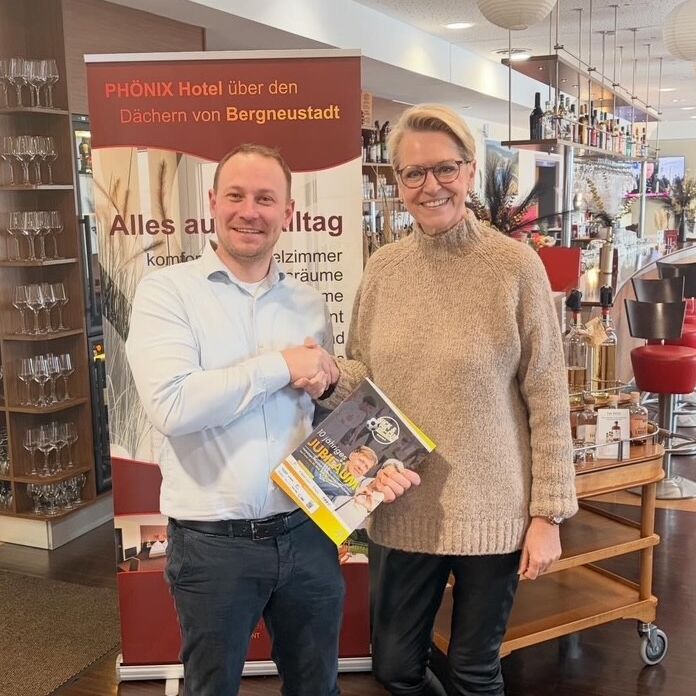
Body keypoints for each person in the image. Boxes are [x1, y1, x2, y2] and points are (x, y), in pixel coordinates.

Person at [125, 143, 419, 696]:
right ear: (212, 202)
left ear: (288, 211)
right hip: (212, 544)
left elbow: (320, 414)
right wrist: (280, 365)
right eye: (235, 195)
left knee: (317, 686)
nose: (249, 211)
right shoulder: (167, 292)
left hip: (307, 533)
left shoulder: (307, 302)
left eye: (265, 198)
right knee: (211, 689)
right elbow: (173, 406)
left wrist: (376, 459)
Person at [316, 105, 579, 696]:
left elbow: (547, 398)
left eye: (445, 169)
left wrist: (548, 515)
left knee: (473, 672)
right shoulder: (384, 270)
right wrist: (326, 378)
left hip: (493, 510)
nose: (430, 185)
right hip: (401, 503)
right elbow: (365, 377)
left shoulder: (514, 267)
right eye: (414, 173)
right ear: (398, 180)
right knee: (393, 667)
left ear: (469, 170)